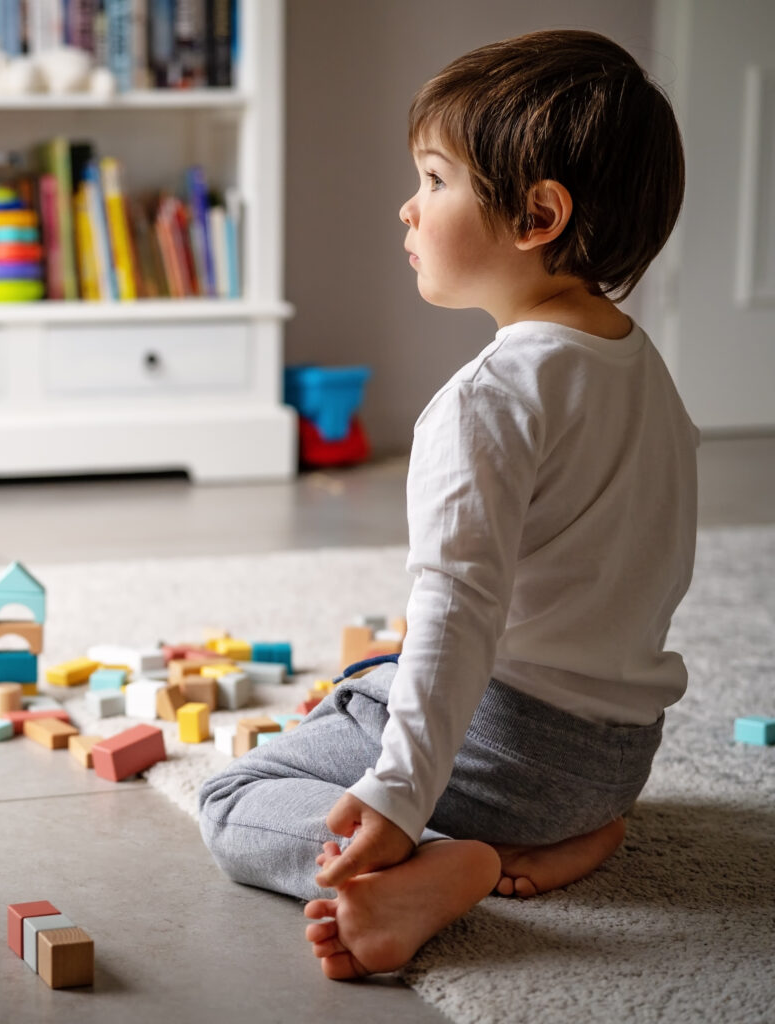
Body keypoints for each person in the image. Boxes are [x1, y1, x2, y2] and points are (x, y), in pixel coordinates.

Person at [197, 28, 698, 980]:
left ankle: (431, 865)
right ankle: (571, 834)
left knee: (236, 793)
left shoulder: (486, 399)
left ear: (537, 215)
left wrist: (393, 799)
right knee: (377, 674)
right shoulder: (644, 372)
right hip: (613, 759)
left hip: (510, 755)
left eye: (433, 179)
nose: (408, 208)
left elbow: (457, 613)